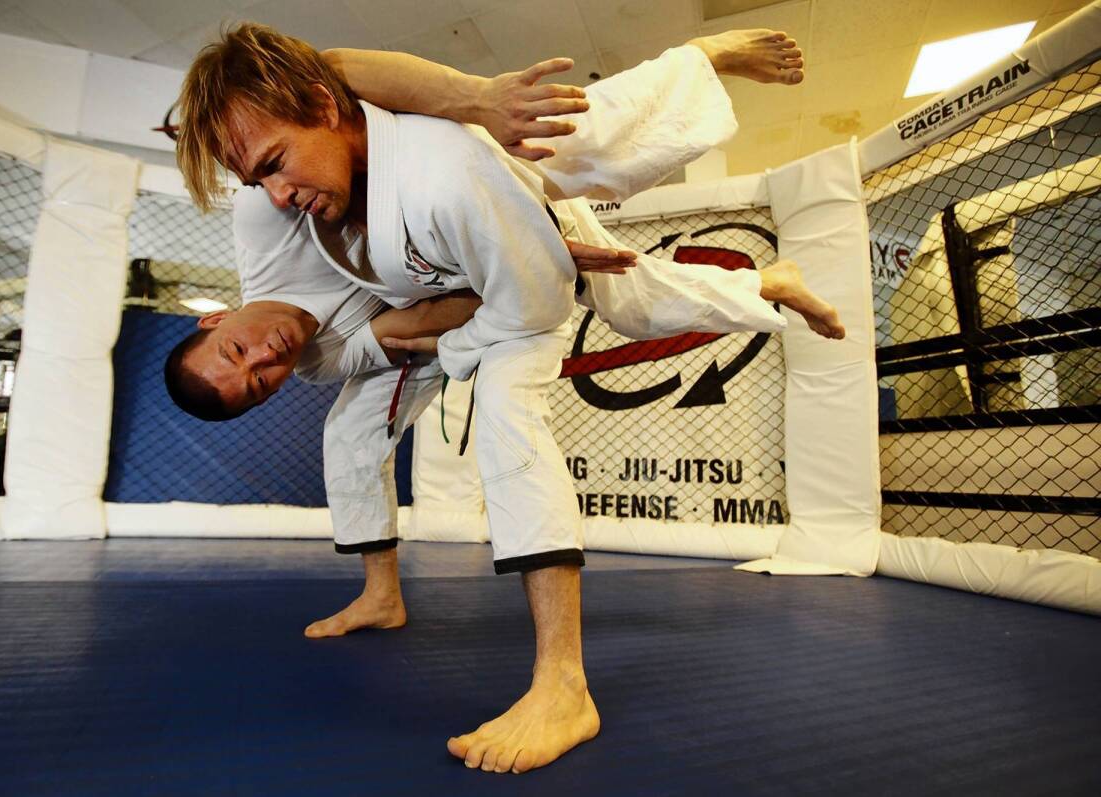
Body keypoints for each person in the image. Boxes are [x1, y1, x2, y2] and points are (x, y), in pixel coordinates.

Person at [170, 25, 841, 775]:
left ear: (215, 317)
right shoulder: (310, 320)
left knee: (575, 157)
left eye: (237, 351)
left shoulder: (420, 177)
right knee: (353, 428)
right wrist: (526, 257)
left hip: (501, 255)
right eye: (258, 384)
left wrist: (480, 105)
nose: (265, 358)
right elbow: (408, 326)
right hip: (457, 280)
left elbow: (530, 305)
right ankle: (380, 594)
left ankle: (564, 686)